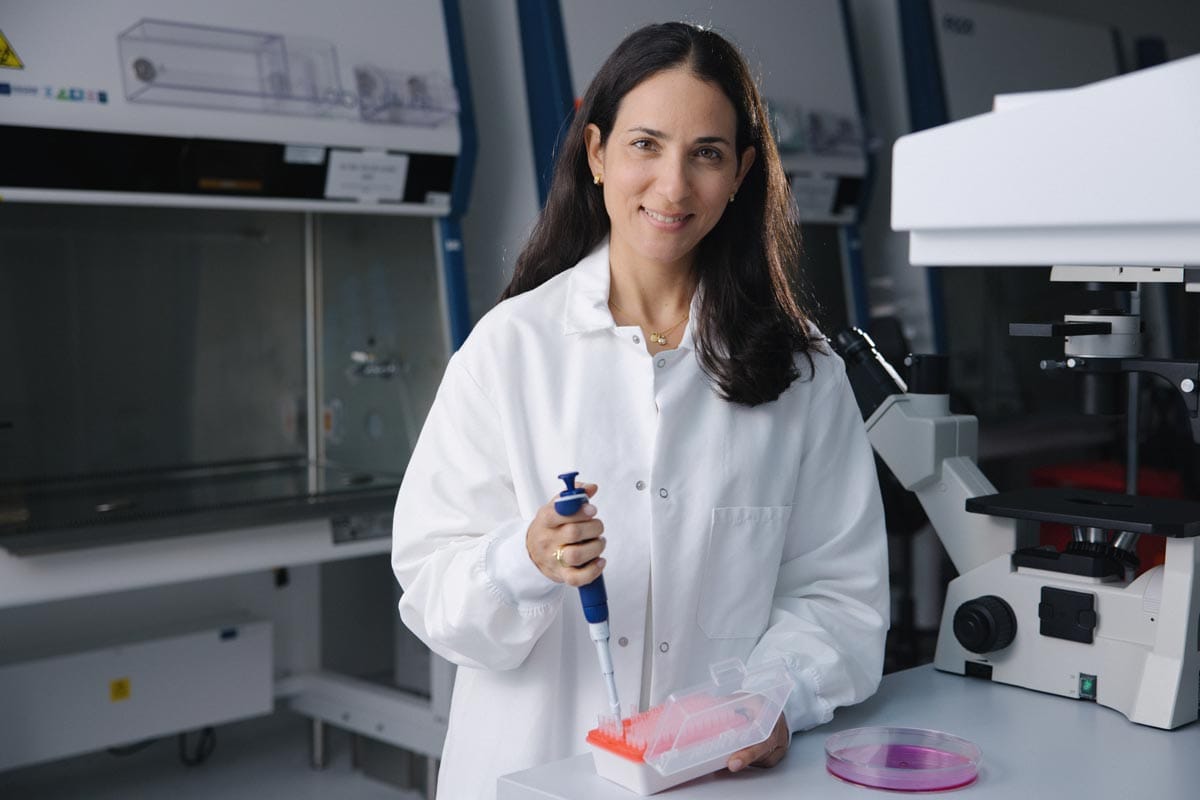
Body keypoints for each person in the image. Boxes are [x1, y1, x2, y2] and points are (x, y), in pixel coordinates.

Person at [392, 21, 888, 800]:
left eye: (707, 154)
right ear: (597, 154)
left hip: (715, 778)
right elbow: (430, 588)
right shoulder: (511, 350)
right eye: (646, 145)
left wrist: (770, 698)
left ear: (740, 174)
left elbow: (839, 595)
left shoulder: (801, 374)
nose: (673, 186)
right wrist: (524, 559)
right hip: (527, 776)